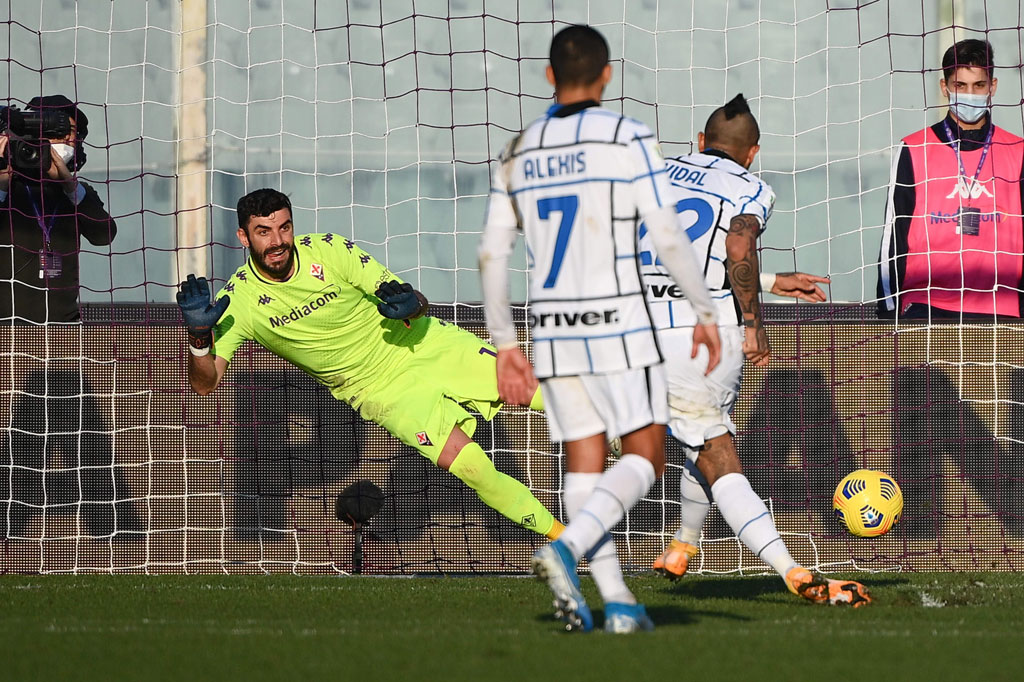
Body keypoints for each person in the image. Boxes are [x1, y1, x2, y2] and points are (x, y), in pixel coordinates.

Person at [479, 24, 722, 633]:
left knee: (583, 463)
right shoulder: (626, 137)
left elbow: (491, 253)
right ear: (607, 75)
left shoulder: (518, 149)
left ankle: (615, 603)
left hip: (553, 329)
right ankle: (567, 545)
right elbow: (665, 233)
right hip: (617, 320)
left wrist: (507, 345)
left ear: (549, 77)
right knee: (646, 456)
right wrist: (706, 311)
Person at [177, 188, 564, 543]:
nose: (277, 242)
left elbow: (409, 297)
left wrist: (412, 305)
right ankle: (567, 540)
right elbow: (205, 384)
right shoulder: (237, 299)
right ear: (244, 237)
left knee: (535, 391)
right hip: (381, 391)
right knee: (474, 469)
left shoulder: (329, 250)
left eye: (284, 228)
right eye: (264, 232)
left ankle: (620, 432)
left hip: (422, 343)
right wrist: (198, 338)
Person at [640, 94, 871, 607]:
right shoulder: (750, 186)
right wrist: (753, 320)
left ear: (699, 143)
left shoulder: (655, 173)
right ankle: (792, 570)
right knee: (718, 450)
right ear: (752, 153)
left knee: (698, 438)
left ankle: (683, 544)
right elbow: (736, 246)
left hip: (639, 330)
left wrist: (771, 280)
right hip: (702, 337)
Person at [877, 38, 1024, 319]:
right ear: (945, 88)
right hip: (927, 307)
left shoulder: (1018, 150)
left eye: (978, 86)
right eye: (960, 86)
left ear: (992, 87)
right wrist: (888, 310)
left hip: (1001, 308)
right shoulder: (914, 148)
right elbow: (892, 238)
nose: (970, 94)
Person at [0, 95, 117, 323]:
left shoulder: (78, 194)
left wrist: (69, 186)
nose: (63, 137)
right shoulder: (8, 186)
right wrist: (2, 186)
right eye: (52, 129)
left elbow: (104, 235)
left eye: (70, 130)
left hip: (62, 328)